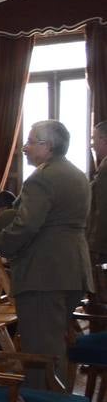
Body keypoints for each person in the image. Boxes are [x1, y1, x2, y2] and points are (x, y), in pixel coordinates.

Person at [0, 119, 92, 389]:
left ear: (47, 146)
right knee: (55, 342)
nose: (24, 148)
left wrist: (0, 243)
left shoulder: (42, 178)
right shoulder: (76, 174)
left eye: (29, 142)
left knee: (40, 350)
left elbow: (26, 225)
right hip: (72, 269)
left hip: (43, 274)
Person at [89, 121, 107, 297]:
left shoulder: (106, 167)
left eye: (94, 139)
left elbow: (102, 211)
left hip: (103, 247)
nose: (92, 144)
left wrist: (95, 246)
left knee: (100, 301)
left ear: (104, 139)